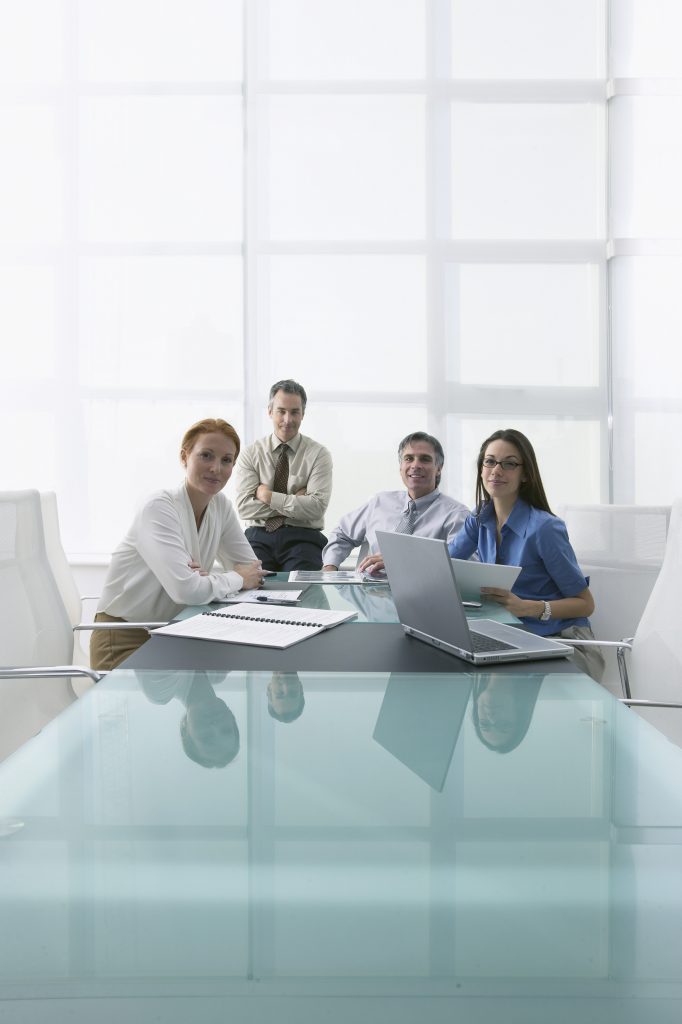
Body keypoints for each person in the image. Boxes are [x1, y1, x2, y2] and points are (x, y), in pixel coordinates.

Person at [91, 418, 264, 671]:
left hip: (175, 632)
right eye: (206, 455)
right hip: (124, 637)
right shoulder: (158, 508)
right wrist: (230, 579)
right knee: (209, 688)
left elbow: (252, 570)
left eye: (226, 460)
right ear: (185, 457)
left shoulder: (221, 506)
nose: (216, 468)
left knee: (220, 682)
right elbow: (189, 590)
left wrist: (208, 580)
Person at [448, 428, 605, 682]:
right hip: (512, 636)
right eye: (489, 461)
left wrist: (528, 607)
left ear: (525, 475)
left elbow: (586, 604)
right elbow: (445, 564)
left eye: (509, 464)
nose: (496, 470)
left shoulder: (544, 528)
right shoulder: (480, 517)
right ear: (481, 468)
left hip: (563, 642)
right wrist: (400, 562)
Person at [322, 431, 468, 575]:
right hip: (369, 593)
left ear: (439, 468)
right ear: (400, 467)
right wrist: (329, 568)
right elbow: (342, 534)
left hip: (424, 594)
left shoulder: (456, 515)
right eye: (409, 458)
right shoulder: (379, 502)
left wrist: (400, 561)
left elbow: (461, 567)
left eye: (425, 459)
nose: (415, 465)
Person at [234, 379, 332, 571]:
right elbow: (245, 508)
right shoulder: (251, 454)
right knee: (253, 591)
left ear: (303, 414)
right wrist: (296, 501)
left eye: (295, 412)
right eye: (281, 411)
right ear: (270, 411)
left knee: (305, 594)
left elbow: (317, 508)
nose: (288, 419)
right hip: (258, 536)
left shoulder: (319, 454)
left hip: (304, 538)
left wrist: (267, 496)